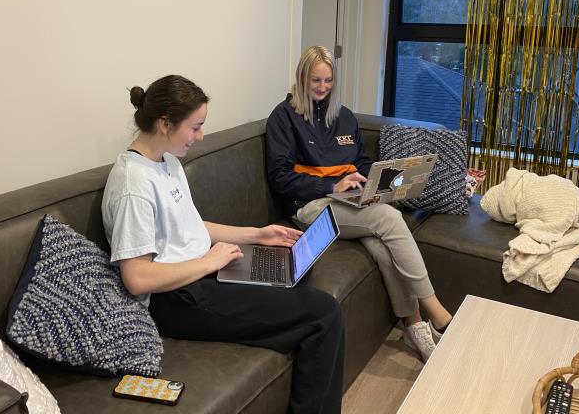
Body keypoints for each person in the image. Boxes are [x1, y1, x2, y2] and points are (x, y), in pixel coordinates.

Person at [102, 74, 345, 414]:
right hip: (175, 298)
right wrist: (210, 262)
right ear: (165, 124)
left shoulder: (166, 161)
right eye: (195, 126)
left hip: (199, 272)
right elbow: (137, 277)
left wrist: (257, 234)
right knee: (324, 313)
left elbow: (189, 227)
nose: (200, 136)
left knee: (295, 268)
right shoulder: (133, 184)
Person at [265, 46, 453, 362]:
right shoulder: (282, 119)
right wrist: (330, 184)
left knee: (381, 244)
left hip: (346, 201)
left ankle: (414, 324)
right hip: (309, 206)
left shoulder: (345, 117)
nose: (323, 88)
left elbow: (360, 163)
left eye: (328, 81)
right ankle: (437, 311)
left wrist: (383, 180)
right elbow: (280, 178)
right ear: (301, 79)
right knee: (388, 219)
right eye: (315, 81)